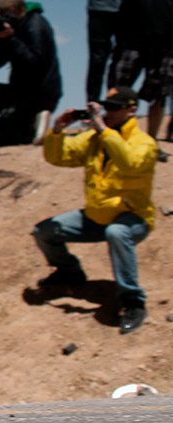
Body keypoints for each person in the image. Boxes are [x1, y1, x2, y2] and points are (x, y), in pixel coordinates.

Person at [34, 88, 157, 334]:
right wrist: (57, 131)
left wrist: (103, 129)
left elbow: (129, 164)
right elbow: (59, 158)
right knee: (43, 232)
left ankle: (133, 301)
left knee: (117, 232)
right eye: (106, 107)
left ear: (132, 110)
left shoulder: (144, 143)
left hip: (133, 218)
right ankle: (70, 272)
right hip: (96, 217)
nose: (108, 112)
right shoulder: (94, 139)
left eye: (115, 107)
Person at [102, 0, 173, 140]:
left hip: (164, 40)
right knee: (118, 89)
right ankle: (114, 138)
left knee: (158, 92)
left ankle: (151, 141)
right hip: (130, 37)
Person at [0, 0, 61, 148]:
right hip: (21, 93)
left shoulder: (36, 25)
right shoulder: (12, 28)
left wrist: (11, 39)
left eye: (10, 15)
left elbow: (35, 64)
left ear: (21, 10)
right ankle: (23, 123)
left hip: (40, 95)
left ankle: (31, 122)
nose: (8, 19)